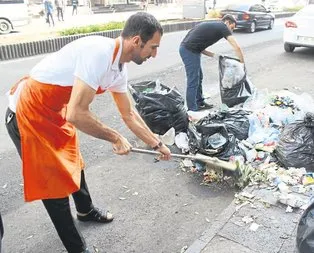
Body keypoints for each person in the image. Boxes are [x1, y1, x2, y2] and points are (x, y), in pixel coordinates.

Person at [5, 12, 170, 253]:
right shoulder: (98, 53)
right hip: (28, 113)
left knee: (74, 161)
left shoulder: (118, 69)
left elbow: (129, 114)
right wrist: (115, 137)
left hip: (56, 112)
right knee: (54, 187)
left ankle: (85, 210)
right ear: (136, 41)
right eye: (153, 47)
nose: (154, 55)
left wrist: (157, 144)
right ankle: (77, 249)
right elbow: (76, 114)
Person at [179, 15, 245, 112]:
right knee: (193, 79)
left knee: (199, 77)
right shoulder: (222, 26)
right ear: (227, 22)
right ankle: (192, 109)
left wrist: (214, 55)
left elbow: (199, 45)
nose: (232, 31)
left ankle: (199, 102)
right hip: (189, 50)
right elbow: (237, 47)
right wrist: (242, 63)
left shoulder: (215, 26)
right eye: (232, 28)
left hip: (193, 50)